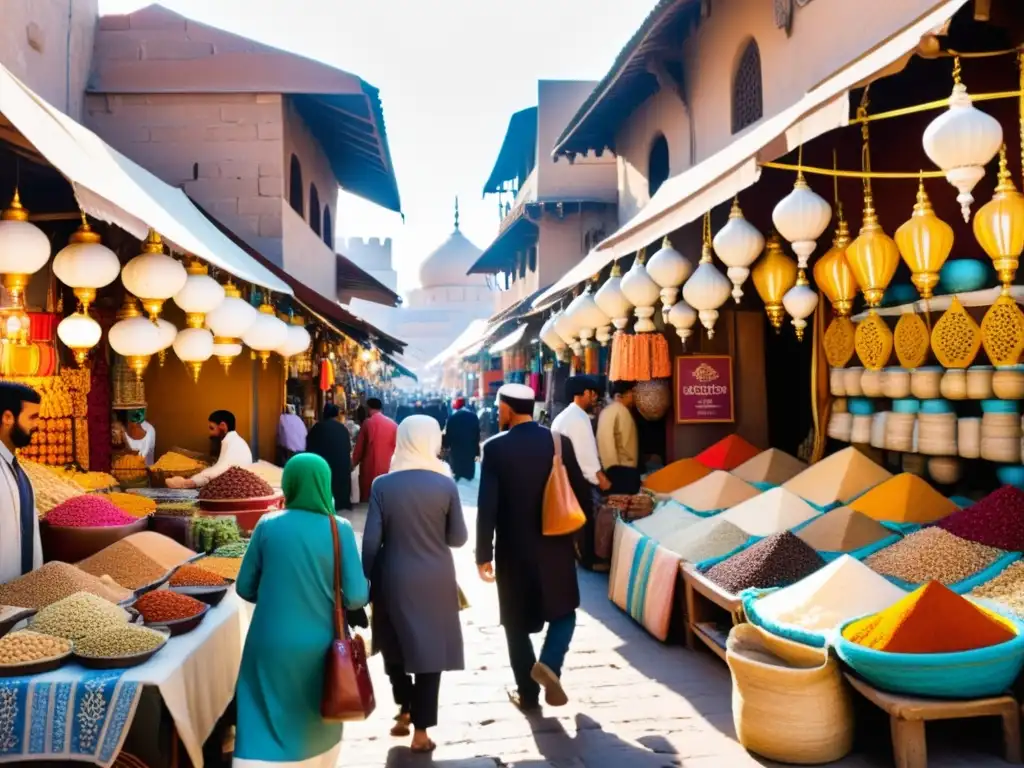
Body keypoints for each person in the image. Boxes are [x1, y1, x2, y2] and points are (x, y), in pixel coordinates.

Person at [233, 453, 369, 768]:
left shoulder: (267, 524)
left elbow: (244, 588)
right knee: (314, 721)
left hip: (268, 645)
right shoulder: (341, 528)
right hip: (321, 647)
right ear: (325, 483)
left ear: (289, 484)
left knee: (261, 717)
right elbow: (357, 597)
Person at [477, 383, 593, 712]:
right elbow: (581, 494)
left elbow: (488, 506)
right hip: (556, 544)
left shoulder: (496, 448)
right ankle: (550, 664)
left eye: (500, 406)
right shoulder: (557, 442)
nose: (498, 411)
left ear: (510, 408)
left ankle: (527, 695)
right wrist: (580, 541)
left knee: (515, 624)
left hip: (514, 549)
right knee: (565, 612)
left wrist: (483, 554)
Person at [361, 415, 467, 753]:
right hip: (435, 577)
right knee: (429, 653)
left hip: (391, 575)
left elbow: (370, 543)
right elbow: (458, 538)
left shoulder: (382, 485)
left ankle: (403, 708)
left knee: (394, 643)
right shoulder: (445, 484)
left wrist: (366, 579)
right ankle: (421, 732)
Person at [551, 376, 609, 569]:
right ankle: (588, 559)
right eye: (593, 394)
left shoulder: (564, 416)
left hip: (563, 475)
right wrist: (601, 480)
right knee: (586, 518)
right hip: (577, 477)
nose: (595, 399)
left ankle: (578, 555)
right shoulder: (578, 419)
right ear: (584, 393)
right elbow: (586, 455)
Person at [0, 382, 41, 583]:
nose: (37, 425)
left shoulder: (16, 467)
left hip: (20, 595)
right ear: (8, 417)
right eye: (32, 417)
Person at [166, 410, 252, 489]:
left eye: (212, 428)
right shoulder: (231, 440)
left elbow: (220, 470)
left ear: (223, 426)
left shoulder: (234, 443)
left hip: (236, 487)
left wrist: (188, 482)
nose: (210, 433)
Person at [596, 381, 641, 495]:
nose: (634, 396)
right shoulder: (614, 411)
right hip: (620, 470)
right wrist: (612, 471)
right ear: (622, 394)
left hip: (621, 469)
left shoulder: (615, 411)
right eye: (632, 393)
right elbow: (606, 442)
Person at [305, 403, 352, 511]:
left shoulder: (317, 428)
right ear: (336, 415)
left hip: (323, 465)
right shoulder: (342, 429)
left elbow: (309, 447)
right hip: (341, 468)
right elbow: (347, 449)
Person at [352, 397, 398, 503]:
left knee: (368, 501)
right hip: (388, 468)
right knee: (385, 500)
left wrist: (353, 464)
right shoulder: (393, 424)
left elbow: (359, 448)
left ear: (368, 408)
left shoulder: (368, 423)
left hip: (370, 468)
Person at [442, 396, 480, 482]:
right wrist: (477, 450)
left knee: (458, 473)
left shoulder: (452, 418)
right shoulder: (473, 417)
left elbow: (449, 434)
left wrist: (446, 445)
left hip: (456, 450)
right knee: (469, 476)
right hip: (470, 449)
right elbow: (477, 434)